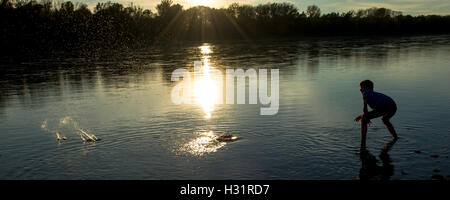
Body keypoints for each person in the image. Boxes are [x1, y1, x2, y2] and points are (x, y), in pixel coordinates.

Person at [354, 80, 398, 149]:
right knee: (385, 120)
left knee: (364, 118)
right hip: (393, 106)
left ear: (366, 88)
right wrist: (363, 116)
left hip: (386, 106)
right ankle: (395, 137)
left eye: (361, 88)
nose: (360, 90)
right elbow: (376, 110)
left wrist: (365, 117)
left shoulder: (366, 93)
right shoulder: (373, 94)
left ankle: (363, 142)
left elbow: (365, 109)